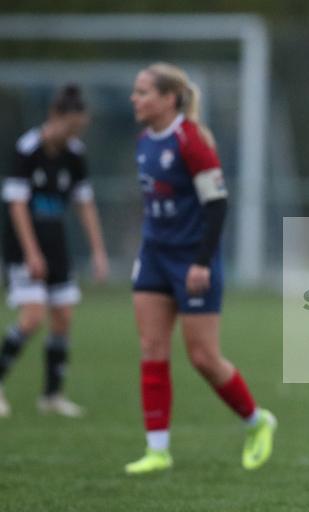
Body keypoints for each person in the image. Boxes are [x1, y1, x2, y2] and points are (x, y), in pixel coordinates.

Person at [124, 63, 276, 474]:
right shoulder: (143, 142)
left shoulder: (190, 141)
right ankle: (157, 450)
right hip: (154, 257)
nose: (135, 99)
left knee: (204, 357)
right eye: (135, 92)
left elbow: (217, 203)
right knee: (152, 348)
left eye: (143, 92)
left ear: (169, 98)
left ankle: (257, 421)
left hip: (193, 261)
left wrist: (201, 261)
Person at [0, 84, 108, 418]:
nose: (74, 134)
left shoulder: (74, 155)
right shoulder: (27, 149)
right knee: (33, 316)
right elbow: (16, 204)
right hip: (23, 245)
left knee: (63, 317)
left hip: (57, 242)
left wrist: (98, 251)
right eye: (71, 126)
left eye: (80, 129)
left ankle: (52, 396)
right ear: (55, 117)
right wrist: (31, 253)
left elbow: (84, 203)